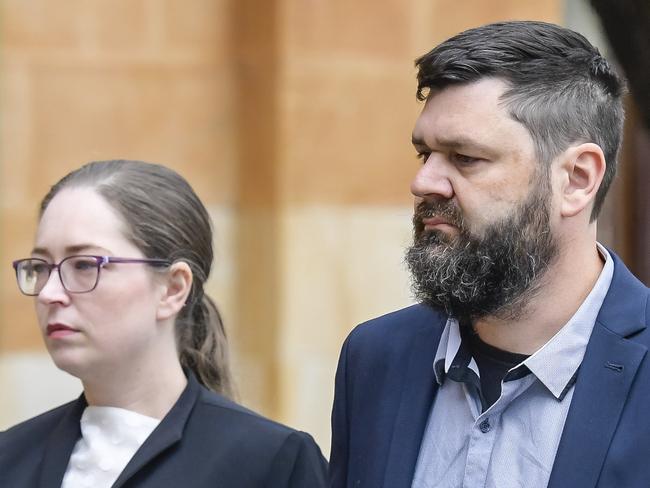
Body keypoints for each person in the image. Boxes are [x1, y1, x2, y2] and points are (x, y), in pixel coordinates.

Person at [330, 20, 650, 488]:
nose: (424, 183)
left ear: (577, 179)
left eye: (465, 158)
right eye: (425, 154)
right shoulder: (377, 358)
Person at [0, 160, 328, 487]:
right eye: (41, 267)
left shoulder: (272, 463)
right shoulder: (9, 459)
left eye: (85, 264)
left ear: (173, 288)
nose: (48, 293)